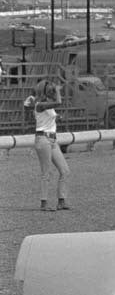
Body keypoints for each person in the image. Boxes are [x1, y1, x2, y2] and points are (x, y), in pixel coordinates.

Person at [29, 76, 71, 210]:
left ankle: (61, 200)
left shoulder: (45, 105)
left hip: (51, 139)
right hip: (43, 139)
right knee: (46, 172)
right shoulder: (40, 105)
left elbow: (48, 118)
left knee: (64, 170)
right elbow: (58, 102)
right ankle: (44, 203)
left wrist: (57, 118)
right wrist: (58, 90)